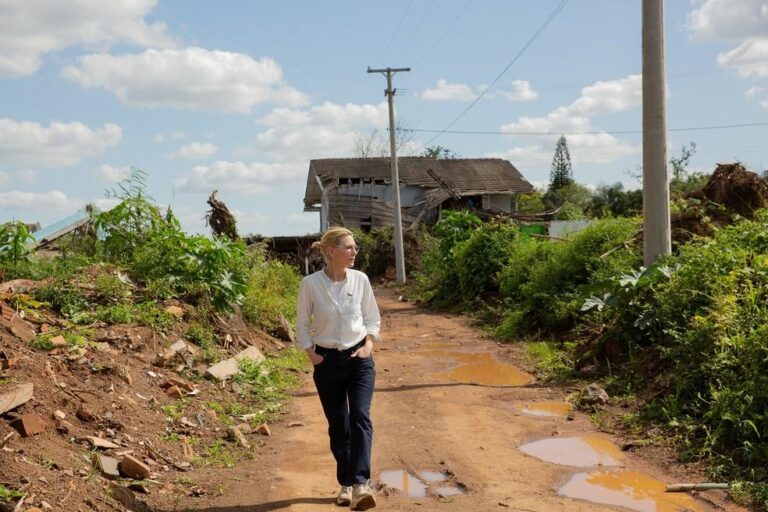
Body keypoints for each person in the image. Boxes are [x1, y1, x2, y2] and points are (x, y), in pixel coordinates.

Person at [296, 227, 381, 511]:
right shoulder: (310, 284)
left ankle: (360, 484)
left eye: (354, 247)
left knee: (360, 418)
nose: (354, 252)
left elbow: (372, 318)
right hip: (327, 362)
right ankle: (345, 483)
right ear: (331, 251)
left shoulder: (360, 280)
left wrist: (368, 345)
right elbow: (301, 323)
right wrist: (311, 354)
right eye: (349, 247)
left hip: (359, 359)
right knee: (339, 427)